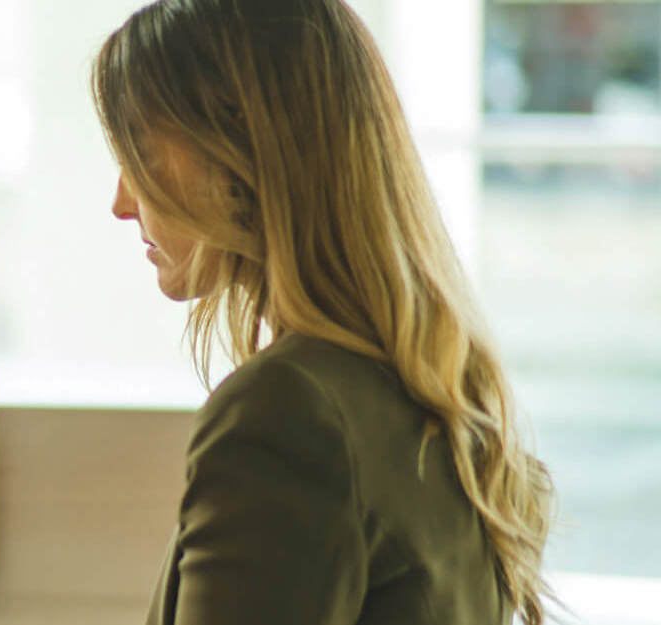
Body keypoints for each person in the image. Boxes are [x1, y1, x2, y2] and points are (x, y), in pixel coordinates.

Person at [90, 1, 555, 623]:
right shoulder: (436, 392)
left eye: (142, 154)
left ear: (245, 150)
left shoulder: (288, 411)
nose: (123, 202)